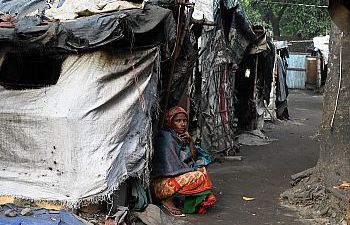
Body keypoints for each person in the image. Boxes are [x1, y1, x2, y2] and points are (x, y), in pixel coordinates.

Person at [152, 106, 216, 217]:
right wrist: (193, 171)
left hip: (171, 179)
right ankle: (166, 200)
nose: (183, 124)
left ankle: (175, 198)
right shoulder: (166, 138)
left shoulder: (179, 137)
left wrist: (190, 141)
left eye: (185, 121)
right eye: (178, 121)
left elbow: (192, 159)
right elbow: (171, 169)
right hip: (159, 185)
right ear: (170, 122)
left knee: (201, 171)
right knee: (199, 176)